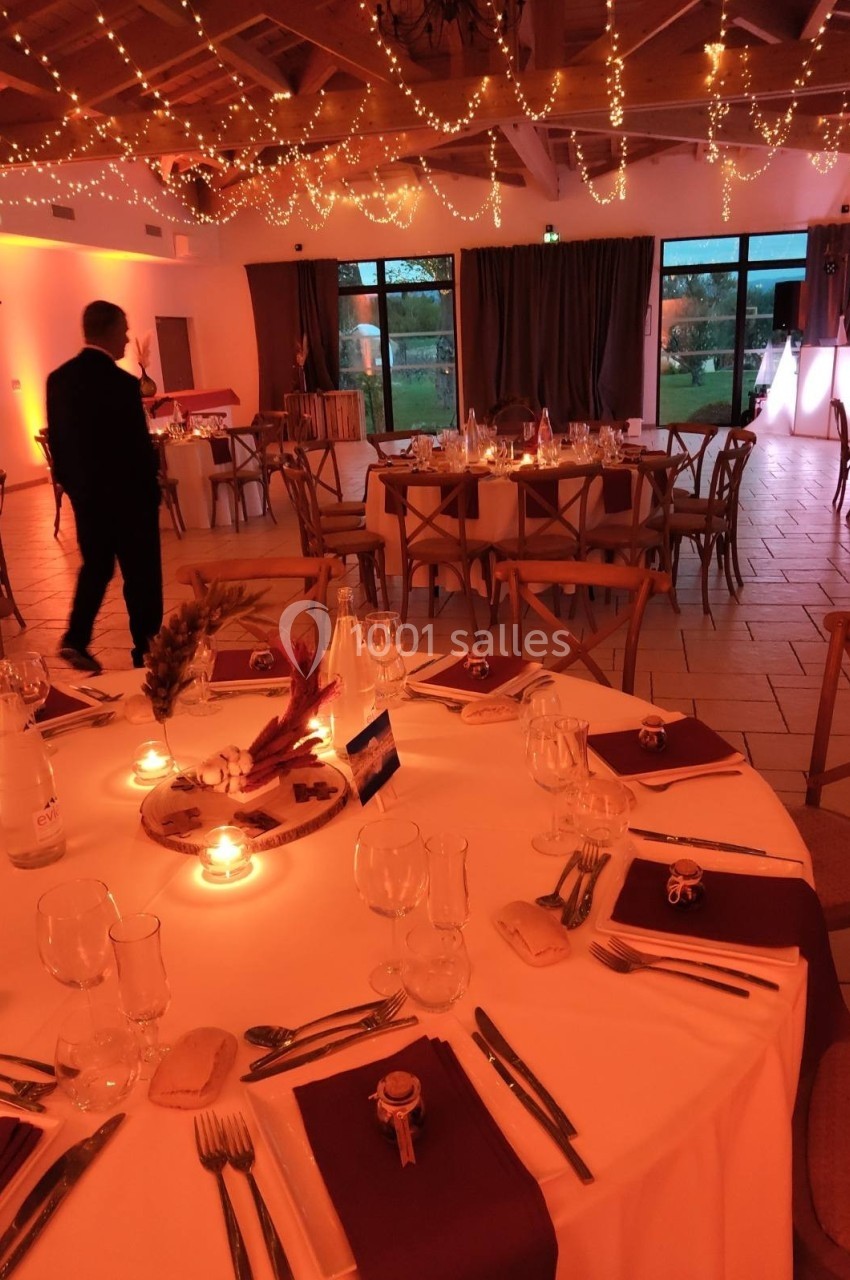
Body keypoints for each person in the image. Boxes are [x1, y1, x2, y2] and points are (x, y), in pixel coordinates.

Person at [46, 300, 163, 672]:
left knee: (96, 567)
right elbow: (137, 447)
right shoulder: (121, 384)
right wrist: (152, 490)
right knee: (141, 577)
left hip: (89, 499)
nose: (128, 339)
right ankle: (146, 650)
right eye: (124, 330)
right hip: (130, 500)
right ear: (109, 331)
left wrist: (75, 489)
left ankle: (76, 638)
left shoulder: (59, 380)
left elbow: (59, 445)